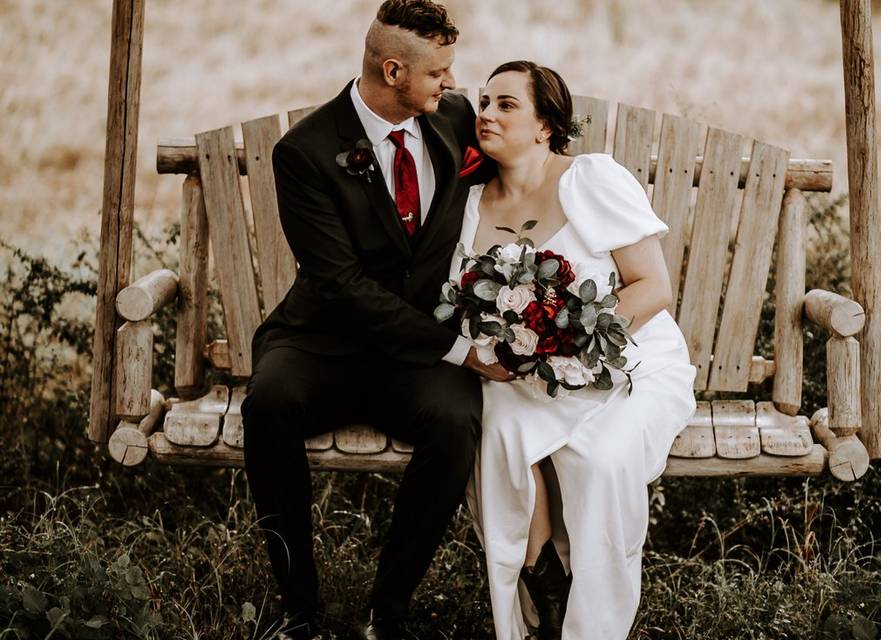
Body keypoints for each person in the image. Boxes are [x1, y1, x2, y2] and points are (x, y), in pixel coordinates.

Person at [239, 2, 511, 639]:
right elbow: (341, 287)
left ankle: (388, 610)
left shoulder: (454, 119)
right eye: (438, 72)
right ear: (393, 71)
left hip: (411, 355)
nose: (450, 83)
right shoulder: (304, 153)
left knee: (455, 420)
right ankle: (299, 609)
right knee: (269, 403)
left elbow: (524, 166)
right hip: (323, 339)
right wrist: (460, 350)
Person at [453, 61, 698, 639]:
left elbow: (654, 287)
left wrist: (574, 339)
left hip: (627, 360)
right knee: (502, 437)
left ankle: (594, 625)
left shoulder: (588, 179)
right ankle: (547, 596)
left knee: (602, 462)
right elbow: (463, 310)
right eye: (484, 102)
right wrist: (499, 353)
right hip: (525, 374)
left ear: (545, 125)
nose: (486, 114)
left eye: (506, 104)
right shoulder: (467, 207)